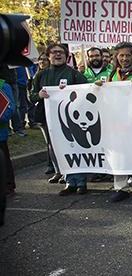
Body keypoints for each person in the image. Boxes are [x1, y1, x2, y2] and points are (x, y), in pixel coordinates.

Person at [97, 42, 132, 203]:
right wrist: (98, 88)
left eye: (127, 55)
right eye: (121, 55)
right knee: (119, 155)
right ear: (116, 57)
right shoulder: (110, 76)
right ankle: (121, 188)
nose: (124, 59)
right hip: (118, 124)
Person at [30, 43, 89, 194]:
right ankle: (69, 181)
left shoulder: (74, 74)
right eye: (54, 52)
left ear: (66, 56)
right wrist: (39, 95)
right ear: (48, 56)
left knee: (75, 148)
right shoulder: (41, 75)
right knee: (58, 149)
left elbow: (87, 90)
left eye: (61, 52)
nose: (57, 55)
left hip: (70, 120)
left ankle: (81, 181)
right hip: (48, 119)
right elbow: (31, 95)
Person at [0, 66, 17, 199]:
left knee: (3, 160)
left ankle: (8, 186)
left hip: (0, 133)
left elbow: (10, 107)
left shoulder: (3, 85)